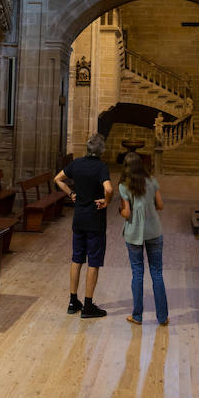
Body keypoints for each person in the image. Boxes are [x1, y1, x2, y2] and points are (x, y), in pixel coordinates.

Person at [54, 133, 113, 318]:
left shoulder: (76, 163)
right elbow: (109, 188)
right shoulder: (101, 167)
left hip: (78, 219)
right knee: (93, 262)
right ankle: (88, 306)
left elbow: (58, 179)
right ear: (101, 150)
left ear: (87, 148)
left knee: (77, 259)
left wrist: (71, 193)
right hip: (95, 221)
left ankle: (73, 301)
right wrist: (106, 201)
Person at [118, 153, 169, 326]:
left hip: (134, 234)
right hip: (154, 231)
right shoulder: (152, 181)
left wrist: (121, 210)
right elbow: (160, 206)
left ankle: (138, 316)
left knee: (137, 274)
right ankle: (162, 317)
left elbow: (126, 213)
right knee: (157, 274)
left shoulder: (124, 186)